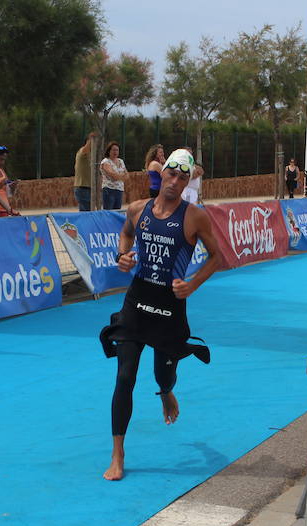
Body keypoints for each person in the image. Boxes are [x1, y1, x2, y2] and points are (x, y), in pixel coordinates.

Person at [99, 149, 221, 481]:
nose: (176, 181)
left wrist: (192, 285)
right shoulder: (138, 209)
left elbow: (216, 257)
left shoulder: (194, 217)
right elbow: (125, 234)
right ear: (161, 174)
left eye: (183, 177)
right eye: (172, 174)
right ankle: (118, 454)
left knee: (163, 375)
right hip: (137, 300)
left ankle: (166, 392)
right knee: (125, 377)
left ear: (187, 181)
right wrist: (122, 256)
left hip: (170, 305)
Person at [100, 140, 127, 210]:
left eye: (117, 150)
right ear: (109, 151)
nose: (115, 152)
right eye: (113, 150)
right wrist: (121, 176)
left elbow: (127, 176)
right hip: (109, 190)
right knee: (109, 212)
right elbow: (113, 175)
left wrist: (118, 176)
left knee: (117, 211)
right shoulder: (105, 162)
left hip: (119, 190)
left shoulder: (121, 161)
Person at [74, 132, 97, 212]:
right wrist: (91, 139)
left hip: (89, 187)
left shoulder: (90, 155)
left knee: (89, 212)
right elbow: (86, 148)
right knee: (86, 213)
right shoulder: (82, 152)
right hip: (82, 187)